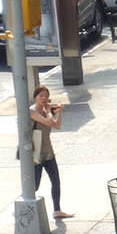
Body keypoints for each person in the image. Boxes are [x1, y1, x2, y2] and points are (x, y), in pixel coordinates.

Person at [29, 85, 73, 220]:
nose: (44, 98)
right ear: (35, 97)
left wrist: (59, 112)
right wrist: (49, 110)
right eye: (41, 96)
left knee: (55, 181)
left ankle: (57, 210)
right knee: (34, 185)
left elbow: (56, 126)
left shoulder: (46, 111)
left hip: (48, 152)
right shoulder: (32, 111)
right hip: (36, 153)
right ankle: (22, 207)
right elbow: (48, 122)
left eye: (46, 96)